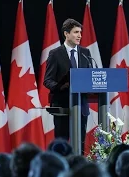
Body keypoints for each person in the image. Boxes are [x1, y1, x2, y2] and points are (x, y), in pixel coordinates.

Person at [44, 18, 92, 155]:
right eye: (76, 32)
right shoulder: (55, 54)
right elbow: (48, 80)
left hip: (81, 106)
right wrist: (61, 86)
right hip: (63, 106)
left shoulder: (85, 53)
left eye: (80, 32)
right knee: (62, 146)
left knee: (80, 146)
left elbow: (89, 77)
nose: (80, 36)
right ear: (66, 34)